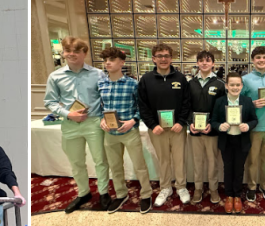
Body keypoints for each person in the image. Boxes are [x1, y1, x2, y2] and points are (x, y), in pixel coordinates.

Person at [43, 36, 110, 213]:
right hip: (70, 125)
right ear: (63, 53)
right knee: (76, 162)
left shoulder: (98, 74)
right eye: (68, 50)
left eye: (76, 51)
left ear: (84, 53)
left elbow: (105, 99)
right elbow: (50, 102)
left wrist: (105, 117)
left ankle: (103, 192)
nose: (71, 54)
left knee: (100, 160)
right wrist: (68, 114)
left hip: (93, 122)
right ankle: (84, 193)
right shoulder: (55, 76)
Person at [96, 47, 153, 213]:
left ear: (122, 62)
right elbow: (99, 106)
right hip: (110, 134)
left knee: (139, 165)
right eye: (106, 60)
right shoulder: (101, 84)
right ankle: (121, 194)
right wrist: (101, 119)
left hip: (129, 132)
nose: (108, 63)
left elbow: (142, 107)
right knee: (115, 166)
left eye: (112, 59)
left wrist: (133, 120)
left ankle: (146, 194)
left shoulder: (132, 84)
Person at [137, 43, 192, 207]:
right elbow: (142, 105)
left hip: (177, 128)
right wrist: (153, 125)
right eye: (159, 56)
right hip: (157, 129)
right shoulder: (146, 80)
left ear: (171, 58)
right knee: (163, 160)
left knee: (179, 159)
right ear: (153, 58)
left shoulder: (180, 78)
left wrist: (181, 122)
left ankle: (181, 187)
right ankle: (166, 187)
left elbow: (186, 103)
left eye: (166, 56)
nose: (163, 59)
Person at [212, 72, 257, 214]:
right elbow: (213, 121)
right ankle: (229, 195)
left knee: (239, 168)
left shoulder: (247, 101)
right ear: (226, 86)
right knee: (228, 168)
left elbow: (254, 120)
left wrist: (248, 126)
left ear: (242, 86)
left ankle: (237, 195)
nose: (235, 87)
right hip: (226, 140)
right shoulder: (219, 101)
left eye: (238, 85)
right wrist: (219, 126)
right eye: (232, 84)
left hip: (241, 140)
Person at [187, 50, 226, 205]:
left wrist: (213, 124)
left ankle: (214, 189)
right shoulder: (190, 83)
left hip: (212, 131)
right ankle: (197, 189)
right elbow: (186, 105)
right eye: (201, 60)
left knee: (212, 162)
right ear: (197, 63)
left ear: (213, 64)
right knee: (197, 162)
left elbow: (223, 108)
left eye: (208, 60)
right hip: (195, 131)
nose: (204, 63)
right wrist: (190, 122)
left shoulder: (220, 84)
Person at [240, 46, 265, 202]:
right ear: (253, 60)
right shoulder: (245, 79)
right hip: (254, 127)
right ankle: (251, 187)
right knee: (253, 160)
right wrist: (251, 104)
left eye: (264, 57)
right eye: (258, 58)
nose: (261, 60)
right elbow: (239, 102)